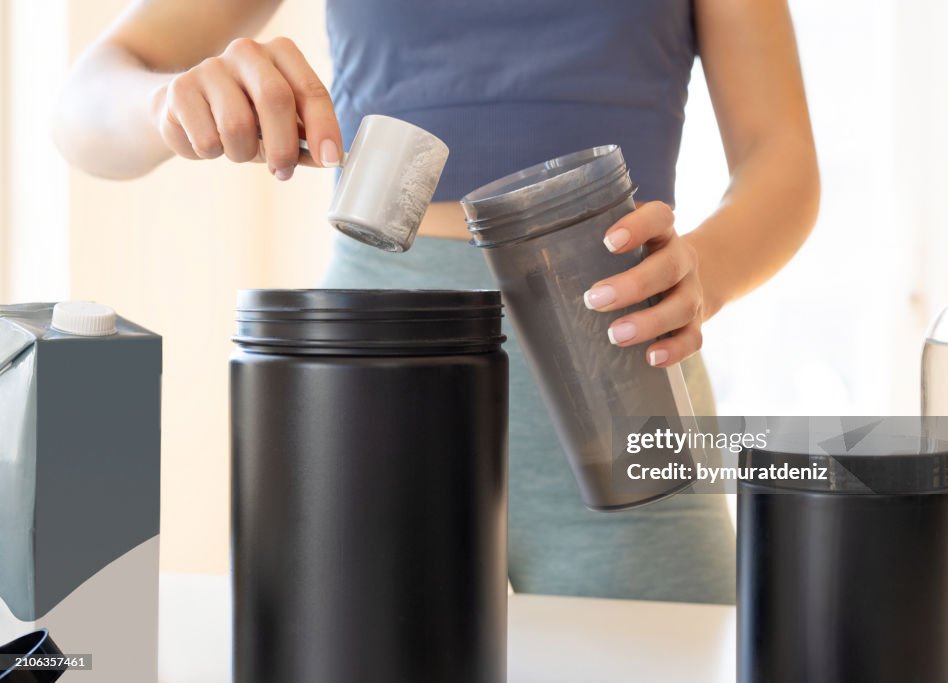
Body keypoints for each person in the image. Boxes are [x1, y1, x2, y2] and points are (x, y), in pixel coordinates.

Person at [55, 0, 819, 604]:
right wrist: (168, 104)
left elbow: (781, 158)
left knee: (668, 659)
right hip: (375, 350)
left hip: (618, 355)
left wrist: (702, 272)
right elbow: (84, 106)